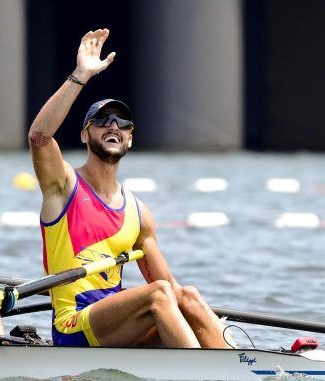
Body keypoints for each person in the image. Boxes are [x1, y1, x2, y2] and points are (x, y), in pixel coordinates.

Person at [27, 28, 230, 348]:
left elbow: (169, 286)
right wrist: (81, 75)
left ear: (130, 139)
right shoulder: (63, 185)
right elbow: (39, 138)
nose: (113, 127)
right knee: (160, 295)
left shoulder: (139, 212)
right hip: (73, 325)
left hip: (118, 326)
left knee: (186, 295)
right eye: (103, 120)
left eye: (122, 124)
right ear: (84, 135)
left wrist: (203, 318)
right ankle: (210, 370)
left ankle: (241, 362)